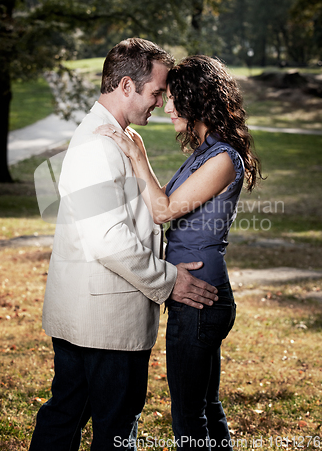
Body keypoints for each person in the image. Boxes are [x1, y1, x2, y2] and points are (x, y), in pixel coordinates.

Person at [29, 40, 219, 451]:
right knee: (113, 430)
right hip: (102, 323)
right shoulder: (97, 144)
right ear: (128, 86)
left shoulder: (121, 136)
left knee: (64, 416)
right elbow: (109, 239)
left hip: (94, 319)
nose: (160, 103)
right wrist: (171, 282)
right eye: (156, 93)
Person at [97, 55, 262, 450]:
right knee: (204, 404)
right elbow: (167, 206)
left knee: (189, 414)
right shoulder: (206, 151)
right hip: (197, 291)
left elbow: (163, 210)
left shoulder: (223, 157)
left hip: (201, 294)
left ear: (197, 99)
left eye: (173, 98)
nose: (166, 107)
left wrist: (137, 155)